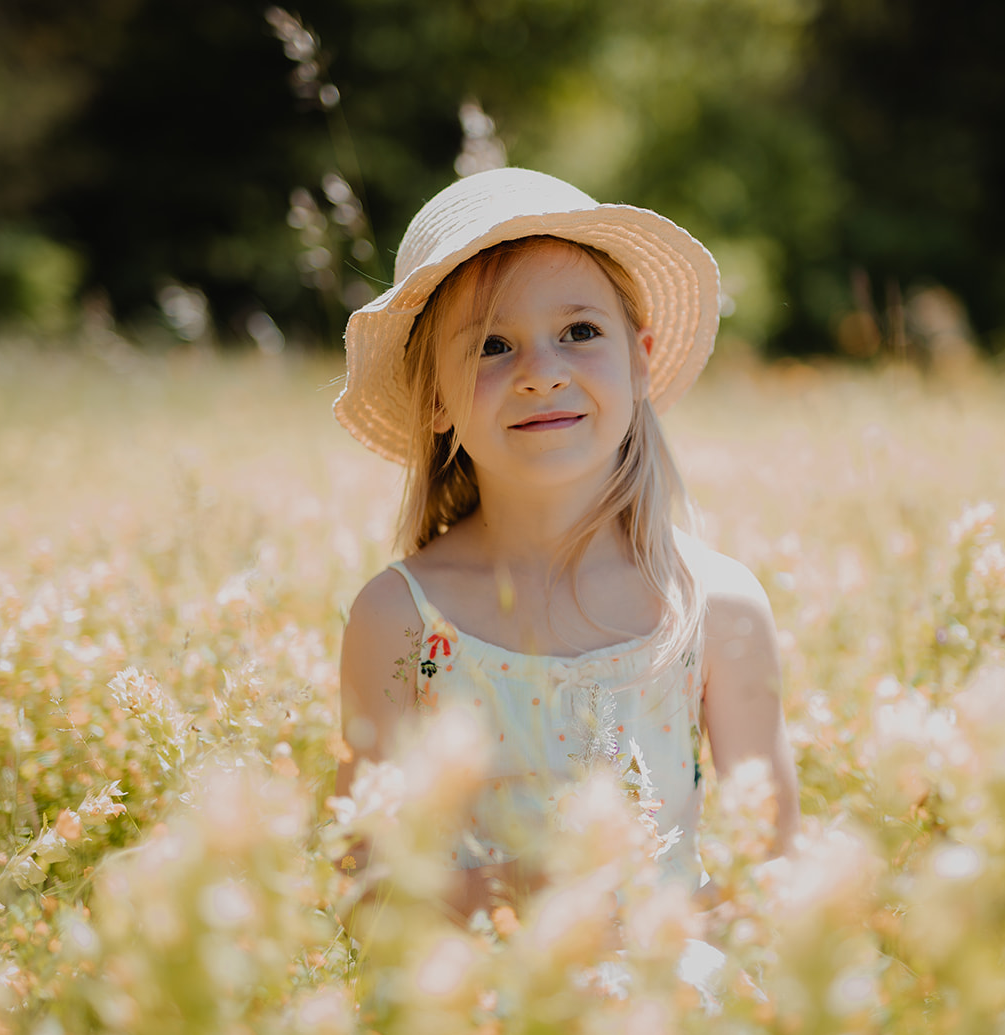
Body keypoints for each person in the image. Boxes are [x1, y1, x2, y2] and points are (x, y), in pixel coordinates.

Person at [334, 167, 799, 918]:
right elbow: (365, 884)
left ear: (640, 356)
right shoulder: (400, 617)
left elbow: (773, 867)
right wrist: (520, 891)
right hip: (476, 1005)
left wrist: (649, 934)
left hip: (670, 993)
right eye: (491, 345)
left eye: (579, 332)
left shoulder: (717, 606)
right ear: (437, 399)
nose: (541, 373)